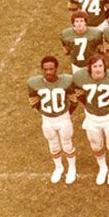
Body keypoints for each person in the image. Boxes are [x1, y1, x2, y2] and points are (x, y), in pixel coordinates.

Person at [70, 54, 109, 185]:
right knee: (96, 144)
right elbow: (80, 95)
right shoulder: (81, 78)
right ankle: (102, 167)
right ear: (90, 68)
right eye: (95, 66)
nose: (98, 69)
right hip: (92, 118)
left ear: (105, 67)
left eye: (100, 66)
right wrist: (89, 106)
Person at [27, 56, 77, 184]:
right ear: (42, 70)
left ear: (56, 68)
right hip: (47, 120)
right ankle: (59, 167)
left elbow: (73, 100)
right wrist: (44, 112)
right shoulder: (34, 83)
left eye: (51, 69)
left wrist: (67, 113)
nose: (49, 72)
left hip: (63, 118)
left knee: (67, 143)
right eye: (45, 69)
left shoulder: (66, 81)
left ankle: (72, 168)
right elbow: (34, 101)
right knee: (53, 145)